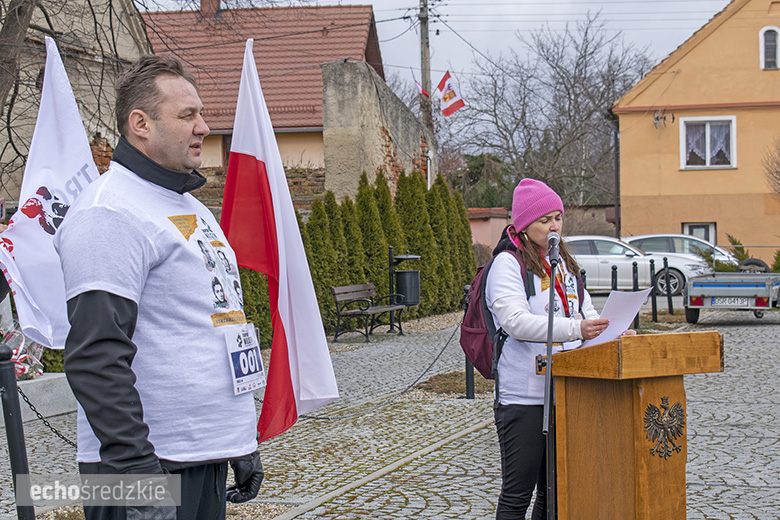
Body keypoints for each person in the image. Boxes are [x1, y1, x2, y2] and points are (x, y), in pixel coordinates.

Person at [54, 55, 263, 520]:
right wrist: (137, 477)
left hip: (201, 454)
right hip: (146, 467)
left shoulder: (188, 205)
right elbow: (95, 356)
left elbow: (213, 323)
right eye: (187, 115)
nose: (203, 127)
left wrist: (237, 439)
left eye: (201, 114)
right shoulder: (110, 212)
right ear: (141, 124)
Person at [486, 178, 634, 519]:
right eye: (544, 220)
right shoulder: (508, 264)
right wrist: (575, 329)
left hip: (568, 391)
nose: (554, 226)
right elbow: (515, 322)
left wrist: (613, 333)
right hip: (524, 397)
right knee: (517, 495)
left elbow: (586, 313)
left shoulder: (563, 262)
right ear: (524, 225)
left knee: (554, 493)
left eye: (558, 218)